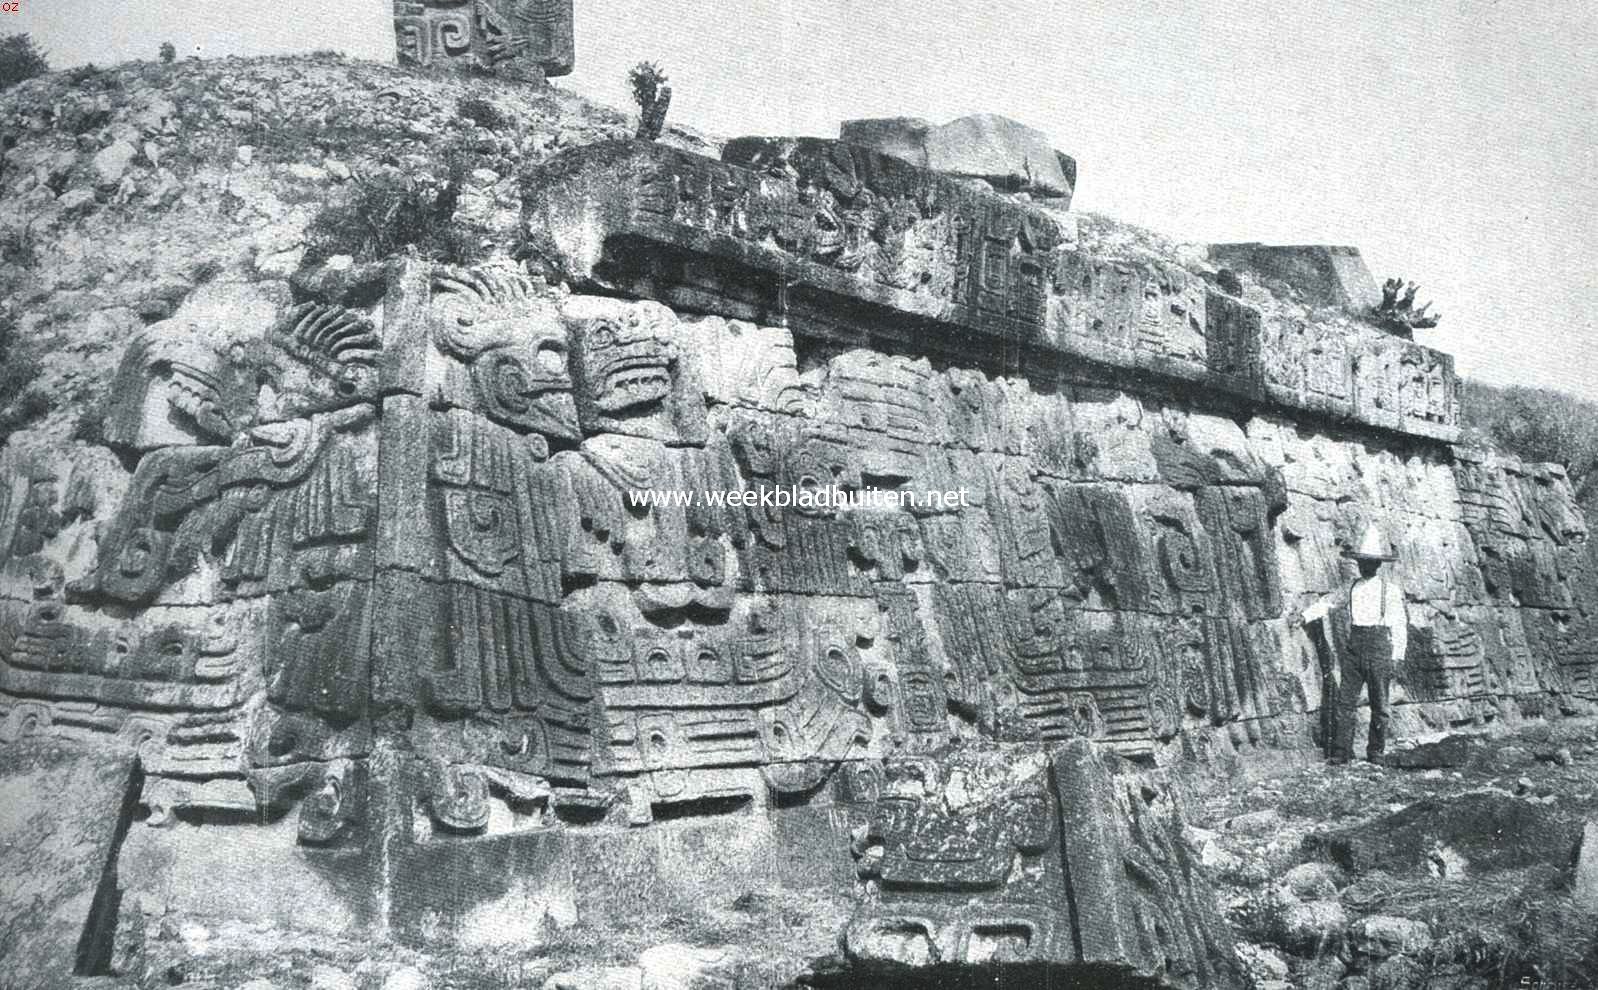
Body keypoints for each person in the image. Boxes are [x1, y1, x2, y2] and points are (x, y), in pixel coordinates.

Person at [1300, 525, 1407, 765]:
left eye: (1369, 563)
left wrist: (1397, 656)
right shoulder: (1351, 587)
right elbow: (1329, 604)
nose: (1364, 566)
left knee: (1380, 704)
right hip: (1354, 647)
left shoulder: (1389, 591)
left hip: (1380, 647)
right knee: (1345, 702)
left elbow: (1399, 624)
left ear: (1377, 565)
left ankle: (1376, 750)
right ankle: (1342, 751)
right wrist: (1305, 616)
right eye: (1362, 562)